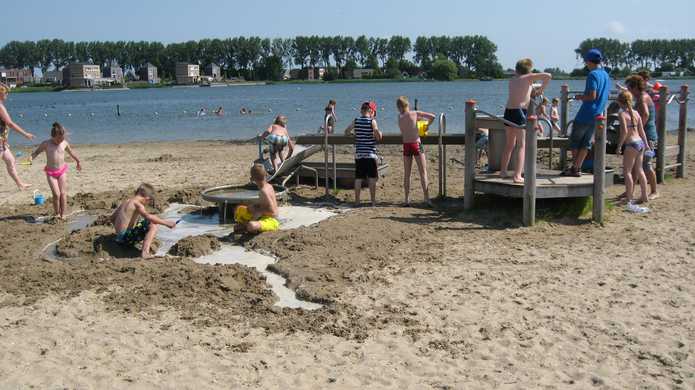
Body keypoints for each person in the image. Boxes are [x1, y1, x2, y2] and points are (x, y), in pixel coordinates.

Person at [500, 59, 551, 183]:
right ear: (529, 70)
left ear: (517, 69)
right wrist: (542, 89)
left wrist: (535, 88)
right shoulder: (528, 78)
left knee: (509, 144)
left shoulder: (512, 79)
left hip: (508, 111)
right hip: (519, 112)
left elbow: (525, 86)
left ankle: (503, 171)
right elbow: (548, 76)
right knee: (521, 145)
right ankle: (517, 175)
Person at [563, 49, 612, 177]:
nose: (586, 64)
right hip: (598, 115)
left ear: (589, 61)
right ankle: (577, 168)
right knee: (586, 143)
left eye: (586, 61)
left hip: (586, 113)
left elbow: (592, 96)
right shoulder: (606, 75)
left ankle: (575, 168)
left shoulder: (592, 75)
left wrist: (580, 97)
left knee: (575, 141)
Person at [30, 123, 82, 219]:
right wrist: (30, 158)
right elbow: (36, 152)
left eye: (61, 139)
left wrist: (78, 161)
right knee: (56, 194)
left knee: (63, 193)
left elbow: (71, 153)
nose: (60, 141)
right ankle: (57, 213)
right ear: (52, 136)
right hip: (51, 173)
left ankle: (63, 214)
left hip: (62, 171)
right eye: (58, 139)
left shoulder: (64, 143)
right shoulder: (46, 144)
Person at [110, 183, 176, 259]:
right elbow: (148, 216)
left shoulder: (126, 201)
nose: (147, 204)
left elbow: (112, 218)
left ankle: (126, 238)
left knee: (141, 222)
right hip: (125, 239)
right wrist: (166, 223)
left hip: (118, 237)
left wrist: (120, 230)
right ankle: (145, 252)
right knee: (152, 224)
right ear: (147, 198)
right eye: (149, 202)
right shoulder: (138, 204)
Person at [396, 96, 435, 206]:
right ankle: (427, 199)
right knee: (423, 172)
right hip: (416, 144)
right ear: (407, 104)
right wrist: (426, 126)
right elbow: (433, 116)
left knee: (407, 174)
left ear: (398, 107)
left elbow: (406, 127)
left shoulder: (399, 117)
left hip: (406, 145)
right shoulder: (415, 113)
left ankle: (407, 199)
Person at [625, 74, 659, 200]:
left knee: (646, 164)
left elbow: (645, 114)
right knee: (635, 164)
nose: (628, 90)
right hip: (644, 135)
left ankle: (654, 191)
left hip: (648, 136)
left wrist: (637, 129)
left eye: (629, 87)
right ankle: (630, 191)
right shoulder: (640, 97)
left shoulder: (642, 98)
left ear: (634, 87)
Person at [615, 91, 650, 206]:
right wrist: (646, 144)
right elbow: (642, 131)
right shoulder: (636, 113)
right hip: (640, 143)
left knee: (627, 172)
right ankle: (644, 196)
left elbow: (624, 131)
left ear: (620, 102)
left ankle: (629, 198)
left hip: (631, 144)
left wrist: (619, 146)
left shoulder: (621, 113)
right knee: (640, 170)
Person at [344, 101, 382, 206]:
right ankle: (373, 201)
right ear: (370, 111)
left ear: (361, 110)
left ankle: (357, 201)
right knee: (372, 179)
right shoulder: (372, 121)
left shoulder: (356, 120)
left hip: (359, 154)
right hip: (370, 154)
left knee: (358, 178)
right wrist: (379, 133)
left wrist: (353, 134)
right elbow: (377, 136)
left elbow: (346, 131)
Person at [0, 82, 35, 190]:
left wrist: (4, 140)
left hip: (2, 141)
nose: (7, 95)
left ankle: (20, 185)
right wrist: (25, 134)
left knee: (10, 160)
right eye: (5, 92)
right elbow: (10, 123)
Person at [234, 164, 280, 234]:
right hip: (264, 216)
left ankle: (245, 225)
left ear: (252, 179)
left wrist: (259, 212)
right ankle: (244, 224)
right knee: (239, 209)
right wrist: (255, 206)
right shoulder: (268, 186)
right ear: (266, 175)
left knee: (251, 225)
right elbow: (266, 204)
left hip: (271, 221)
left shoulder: (264, 191)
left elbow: (273, 212)